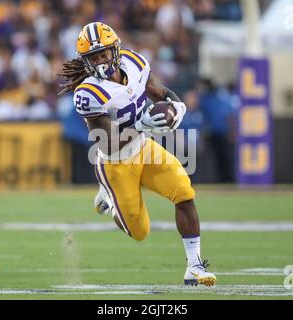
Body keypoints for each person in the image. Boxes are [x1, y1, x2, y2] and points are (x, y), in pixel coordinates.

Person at [59, 22, 216, 287]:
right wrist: (141, 124)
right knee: (140, 231)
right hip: (115, 161)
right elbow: (107, 142)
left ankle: (194, 266)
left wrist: (178, 107)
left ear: (116, 51)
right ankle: (108, 195)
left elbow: (160, 92)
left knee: (183, 191)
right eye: (93, 57)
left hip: (143, 148)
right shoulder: (88, 93)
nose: (99, 61)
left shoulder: (134, 63)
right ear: (85, 61)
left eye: (103, 54)